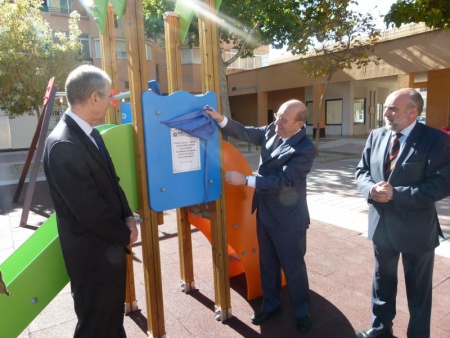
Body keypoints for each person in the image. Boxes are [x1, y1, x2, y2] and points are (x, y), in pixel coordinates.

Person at [205, 99, 316, 334]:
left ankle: (302, 312)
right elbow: (244, 132)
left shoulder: (305, 148)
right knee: (268, 264)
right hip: (265, 213)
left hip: (288, 220)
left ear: (298, 124)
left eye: (284, 119)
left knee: (293, 268)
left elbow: (284, 181)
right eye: (277, 115)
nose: (277, 122)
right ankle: (271, 305)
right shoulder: (271, 130)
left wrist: (246, 180)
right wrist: (220, 119)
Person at [43, 65, 138, 338]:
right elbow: (90, 211)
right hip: (92, 258)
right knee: (95, 327)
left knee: (110, 322)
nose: (111, 102)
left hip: (106, 252)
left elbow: (112, 182)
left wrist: (128, 216)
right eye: (109, 96)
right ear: (94, 98)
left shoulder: (90, 133)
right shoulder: (64, 144)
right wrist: (125, 233)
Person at [354, 88, 450, 338]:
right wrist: (370, 189)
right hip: (381, 225)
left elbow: (442, 184)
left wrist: (398, 193)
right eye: (385, 107)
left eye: (393, 109)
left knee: (418, 290)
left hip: (416, 229)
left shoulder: (435, 140)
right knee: (382, 281)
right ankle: (380, 328)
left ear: (413, 112)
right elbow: (361, 171)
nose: (386, 113)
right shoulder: (376, 136)